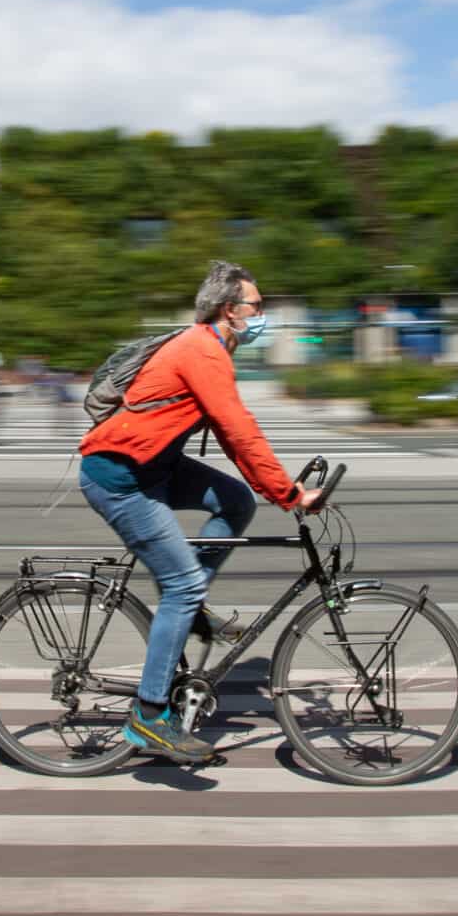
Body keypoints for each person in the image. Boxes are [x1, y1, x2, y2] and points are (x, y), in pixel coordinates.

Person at [78, 260, 322, 763]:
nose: (262, 315)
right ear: (230, 310)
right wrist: (290, 494)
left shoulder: (209, 348)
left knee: (234, 500)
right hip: (120, 478)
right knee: (184, 584)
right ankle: (149, 719)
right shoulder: (201, 350)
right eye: (257, 306)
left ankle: (190, 611)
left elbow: (235, 442)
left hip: (155, 468)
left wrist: (274, 489)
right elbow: (239, 429)